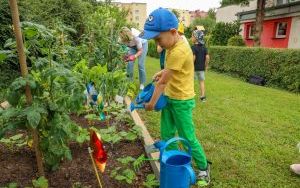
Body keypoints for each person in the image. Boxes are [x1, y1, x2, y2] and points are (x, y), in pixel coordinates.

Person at [141, 8, 211, 186]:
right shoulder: (175, 42)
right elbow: (171, 70)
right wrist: (162, 71)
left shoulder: (179, 50)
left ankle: (203, 168)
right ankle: (171, 160)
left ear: (173, 32)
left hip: (182, 101)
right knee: (167, 133)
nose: (157, 43)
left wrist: (151, 104)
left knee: (187, 136)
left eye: (158, 39)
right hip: (171, 97)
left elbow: (162, 84)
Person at [191, 30, 209, 102]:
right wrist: (206, 66)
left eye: (192, 36)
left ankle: (190, 95)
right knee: (201, 81)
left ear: (196, 37)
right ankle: (203, 97)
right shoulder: (204, 47)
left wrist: (190, 65)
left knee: (191, 81)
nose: (191, 38)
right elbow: (207, 57)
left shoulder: (193, 47)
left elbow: (193, 57)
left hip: (194, 68)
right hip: (201, 68)